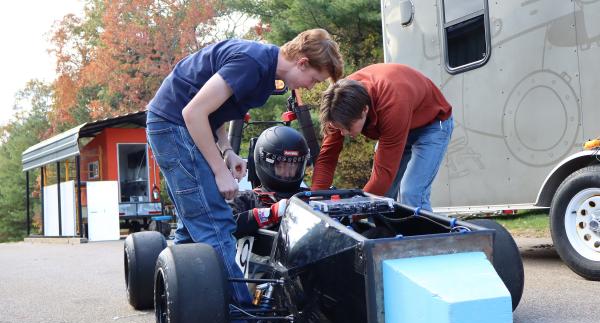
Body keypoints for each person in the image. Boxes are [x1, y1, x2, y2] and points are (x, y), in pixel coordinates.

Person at [146, 29, 343, 306]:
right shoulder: (252, 63)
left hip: (181, 124)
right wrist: (219, 170)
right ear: (302, 63)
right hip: (172, 125)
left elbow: (216, 112)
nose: (310, 86)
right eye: (313, 79)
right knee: (214, 222)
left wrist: (227, 152)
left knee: (194, 224)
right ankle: (239, 311)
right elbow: (193, 113)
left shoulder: (266, 73)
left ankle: (182, 301)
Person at [311, 63, 453, 211]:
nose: (343, 133)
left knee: (411, 193)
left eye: (347, 128)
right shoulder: (337, 105)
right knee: (383, 196)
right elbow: (327, 158)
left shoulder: (391, 104)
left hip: (432, 123)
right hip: (397, 122)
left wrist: (353, 214)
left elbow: (382, 176)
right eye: (338, 128)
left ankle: (425, 233)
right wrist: (315, 200)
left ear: (364, 110)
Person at [230, 125, 309, 238]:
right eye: (281, 166)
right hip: (262, 255)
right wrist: (270, 214)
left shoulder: (308, 197)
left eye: (293, 167)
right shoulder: (246, 199)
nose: (287, 174)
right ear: (266, 164)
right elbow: (223, 227)